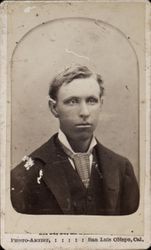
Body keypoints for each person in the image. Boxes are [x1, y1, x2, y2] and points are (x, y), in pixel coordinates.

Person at [11, 65, 139, 215]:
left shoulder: (121, 168)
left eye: (91, 101)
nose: (84, 112)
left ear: (101, 104)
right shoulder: (25, 174)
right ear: (54, 108)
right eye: (72, 101)